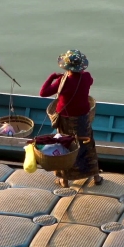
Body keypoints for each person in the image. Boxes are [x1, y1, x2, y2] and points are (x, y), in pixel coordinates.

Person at [39, 49, 103, 187]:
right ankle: (96, 177)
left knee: (66, 147)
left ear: (67, 67)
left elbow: (43, 93)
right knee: (88, 146)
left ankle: (65, 180)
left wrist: (52, 77)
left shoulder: (63, 81)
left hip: (66, 121)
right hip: (83, 119)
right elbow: (89, 82)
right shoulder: (86, 77)